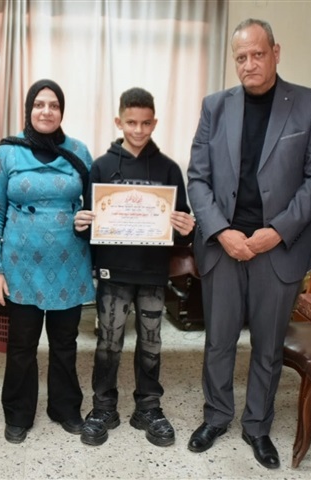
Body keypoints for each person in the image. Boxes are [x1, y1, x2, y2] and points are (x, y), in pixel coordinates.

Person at [186, 19, 311, 469]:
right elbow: (198, 178)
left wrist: (277, 231)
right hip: (224, 245)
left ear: (275, 52)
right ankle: (216, 416)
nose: (249, 64)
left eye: (257, 54)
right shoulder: (215, 107)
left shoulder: (309, 104)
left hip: (279, 247)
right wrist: (221, 231)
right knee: (219, 340)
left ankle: (257, 426)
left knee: (268, 346)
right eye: (241, 57)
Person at [74, 87, 195, 447]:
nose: (138, 130)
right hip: (113, 271)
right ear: (119, 121)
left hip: (153, 272)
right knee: (109, 341)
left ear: (154, 122)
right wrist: (80, 224)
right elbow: (89, 222)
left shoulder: (169, 168)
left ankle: (148, 407)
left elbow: (182, 225)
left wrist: (186, 227)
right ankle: (103, 407)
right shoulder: (101, 166)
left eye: (145, 123)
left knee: (152, 341)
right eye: (131, 123)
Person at [0, 79, 95, 444]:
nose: (47, 111)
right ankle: (18, 413)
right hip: (20, 266)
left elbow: (96, 206)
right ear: (29, 109)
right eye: (39, 104)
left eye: (54, 105)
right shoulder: (7, 153)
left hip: (69, 263)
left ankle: (64, 408)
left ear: (62, 111)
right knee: (21, 345)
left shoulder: (79, 152)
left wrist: (88, 220)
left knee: (65, 343)